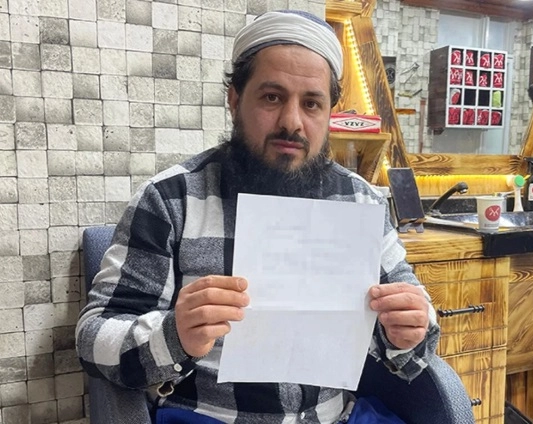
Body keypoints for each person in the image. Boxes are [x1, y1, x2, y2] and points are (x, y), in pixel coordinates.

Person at [76, 9, 439, 423]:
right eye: (272, 97)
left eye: (312, 103)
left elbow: (418, 333)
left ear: (329, 112)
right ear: (235, 99)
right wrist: (174, 334)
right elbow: (93, 337)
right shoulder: (170, 200)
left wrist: (409, 328)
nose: (292, 122)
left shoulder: (361, 201)